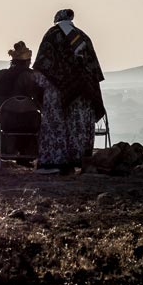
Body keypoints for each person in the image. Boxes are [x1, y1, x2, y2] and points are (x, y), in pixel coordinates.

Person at [33, 9, 107, 174]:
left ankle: (55, 163)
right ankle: (77, 161)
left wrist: (41, 89)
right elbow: (93, 69)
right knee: (78, 127)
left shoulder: (51, 35)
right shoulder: (83, 37)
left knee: (56, 126)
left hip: (56, 92)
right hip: (83, 94)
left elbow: (42, 66)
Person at [0, 41, 42, 166]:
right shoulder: (31, 76)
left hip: (7, 120)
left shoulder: (1, 74)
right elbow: (39, 98)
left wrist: (6, 107)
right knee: (33, 117)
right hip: (29, 121)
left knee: (20, 117)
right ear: (28, 61)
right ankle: (27, 154)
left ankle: (13, 152)